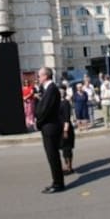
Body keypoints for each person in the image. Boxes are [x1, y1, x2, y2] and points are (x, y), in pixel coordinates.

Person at [34, 66, 64, 194]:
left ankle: (58, 184)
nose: (38, 78)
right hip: (49, 126)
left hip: (50, 127)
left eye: (39, 76)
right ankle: (56, 181)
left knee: (53, 156)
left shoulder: (51, 89)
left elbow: (44, 110)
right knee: (52, 156)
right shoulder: (48, 89)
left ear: (46, 76)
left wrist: (38, 122)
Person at [58, 85, 75, 175]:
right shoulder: (56, 102)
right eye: (59, 91)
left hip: (66, 128)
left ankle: (69, 167)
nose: (60, 93)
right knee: (63, 149)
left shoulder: (65, 103)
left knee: (67, 149)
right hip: (59, 129)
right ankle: (66, 166)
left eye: (62, 91)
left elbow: (67, 118)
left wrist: (65, 130)